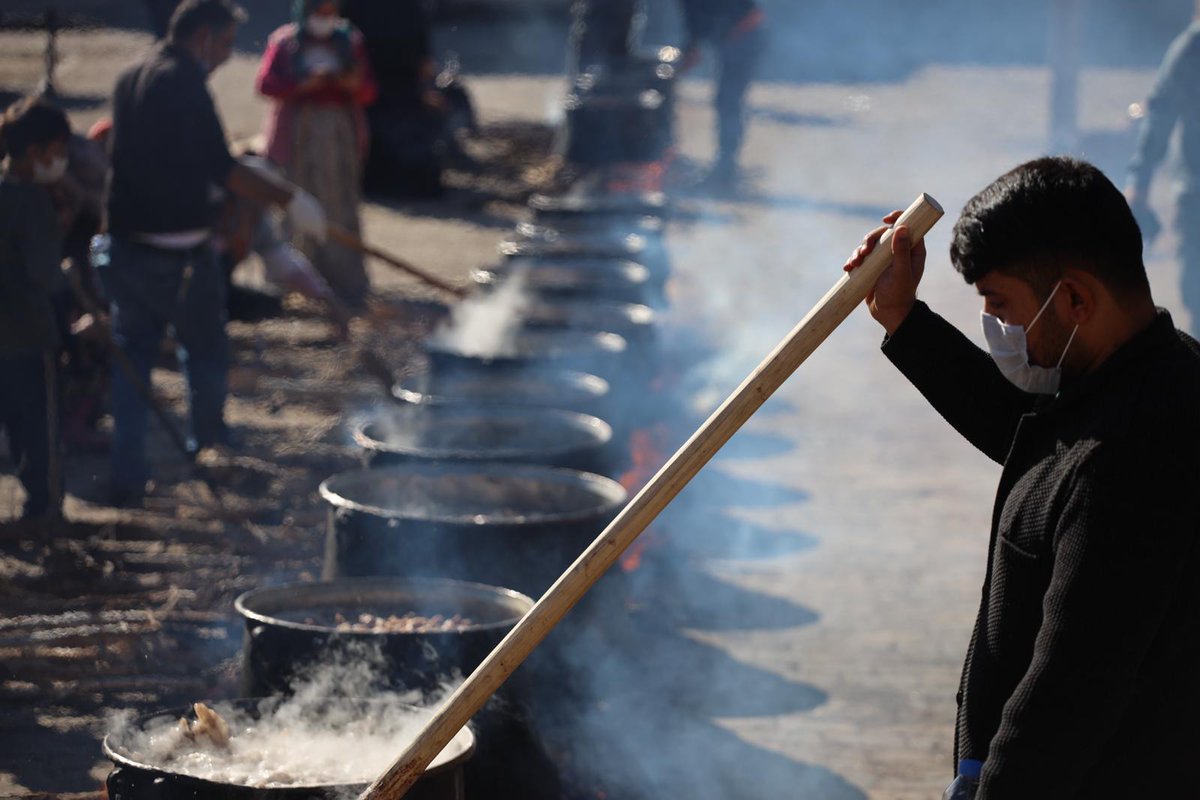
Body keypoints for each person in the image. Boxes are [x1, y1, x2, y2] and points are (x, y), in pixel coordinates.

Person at [844, 156, 1200, 798]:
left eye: (1003, 307)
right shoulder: (1151, 379)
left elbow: (1069, 694)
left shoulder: (1129, 457)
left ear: (1074, 299)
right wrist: (904, 318)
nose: (1005, 333)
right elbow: (1035, 441)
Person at [104, 0, 328, 506]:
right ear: (202, 36)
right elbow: (221, 168)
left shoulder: (131, 74)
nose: (227, 56)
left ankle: (128, 472)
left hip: (127, 246)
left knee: (133, 360)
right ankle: (210, 448)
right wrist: (288, 198)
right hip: (179, 252)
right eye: (226, 43)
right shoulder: (181, 83)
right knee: (204, 352)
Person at [257, 0, 376, 307]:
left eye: (330, 13)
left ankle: (344, 282)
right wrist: (301, 84)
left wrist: (347, 82)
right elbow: (266, 84)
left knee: (338, 204)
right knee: (297, 204)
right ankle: (293, 282)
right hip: (298, 135)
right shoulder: (286, 42)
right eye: (319, 13)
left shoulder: (350, 41)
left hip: (337, 136)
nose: (325, 19)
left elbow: (368, 90)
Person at [0, 96, 72, 523]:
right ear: (34, 152)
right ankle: (45, 509)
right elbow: (44, 274)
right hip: (29, 336)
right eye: (58, 151)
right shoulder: (34, 204)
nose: (61, 160)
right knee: (37, 431)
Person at [1126, 3, 1200, 336]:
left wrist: (1139, 181)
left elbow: (1159, 112)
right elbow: (1161, 112)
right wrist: (1140, 178)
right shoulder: (1194, 46)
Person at [676, 0, 765, 191]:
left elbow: (697, 19)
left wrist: (691, 47)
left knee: (728, 102)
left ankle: (726, 172)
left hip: (744, 32)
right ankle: (725, 169)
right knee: (727, 101)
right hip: (738, 34)